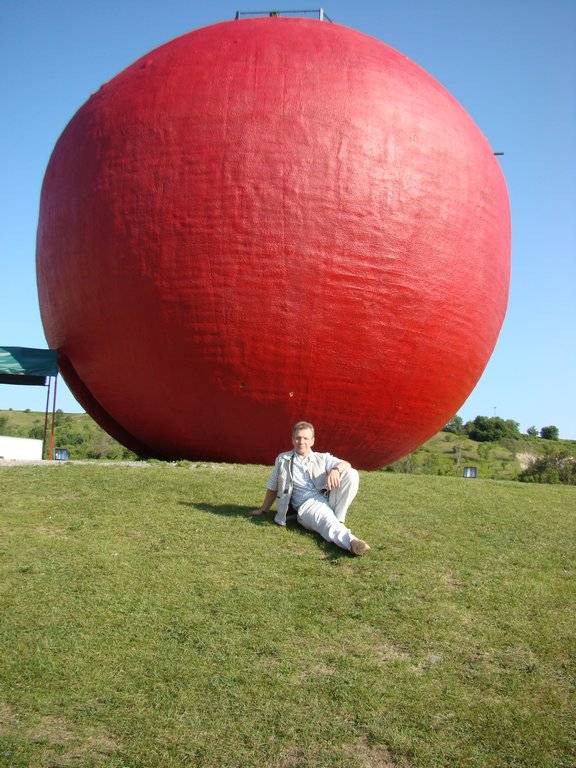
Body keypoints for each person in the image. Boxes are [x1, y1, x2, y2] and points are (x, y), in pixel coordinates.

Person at [251, 421, 370, 555]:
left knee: (351, 474)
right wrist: (263, 509)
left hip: (327, 497)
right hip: (306, 505)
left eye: (306, 438)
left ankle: (338, 520)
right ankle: (352, 542)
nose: (301, 442)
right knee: (325, 519)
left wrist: (335, 470)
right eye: (298, 438)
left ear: (312, 441)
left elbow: (346, 464)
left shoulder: (322, 457)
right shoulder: (283, 459)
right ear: (292, 440)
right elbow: (273, 486)